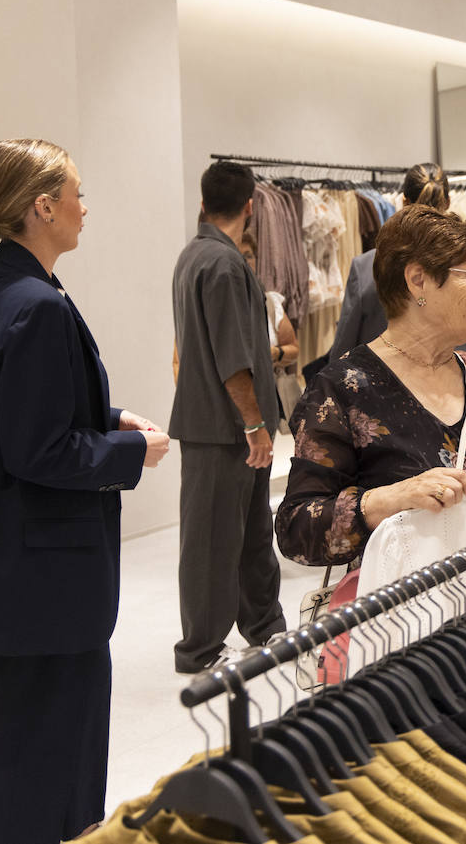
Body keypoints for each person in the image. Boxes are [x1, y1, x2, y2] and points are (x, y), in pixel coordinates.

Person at [0, 138, 170, 843]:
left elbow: (16, 413)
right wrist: (132, 448)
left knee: (29, 750)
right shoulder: (35, 303)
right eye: (76, 194)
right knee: (49, 759)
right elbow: (36, 449)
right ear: (43, 207)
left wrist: (104, 416)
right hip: (47, 582)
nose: (84, 208)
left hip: (26, 577)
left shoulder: (4, 288)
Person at [277, 204, 466, 567]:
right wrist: (389, 499)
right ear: (418, 280)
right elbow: (296, 528)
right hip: (403, 612)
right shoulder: (341, 389)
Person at [169, 161, 287, 674]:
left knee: (252, 532)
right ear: (250, 207)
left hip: (224, 430)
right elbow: (232, 357)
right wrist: (255, 425)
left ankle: (264, 626)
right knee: (213, 542)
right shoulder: (219, 263)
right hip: (223, 431)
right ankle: (199, 648)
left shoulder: (198, 254)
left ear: (202, 203)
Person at [330, 162, 466, 372]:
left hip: (389, 381)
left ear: (404, 201)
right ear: (449, 201)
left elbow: (343, 349)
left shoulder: (366, 267)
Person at [240, 229, 301, 419]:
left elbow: (294, 349)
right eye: (238, 256)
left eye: (248, 256)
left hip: (266, 403)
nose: (245, 262)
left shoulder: (270, 303)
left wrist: (275, 353)